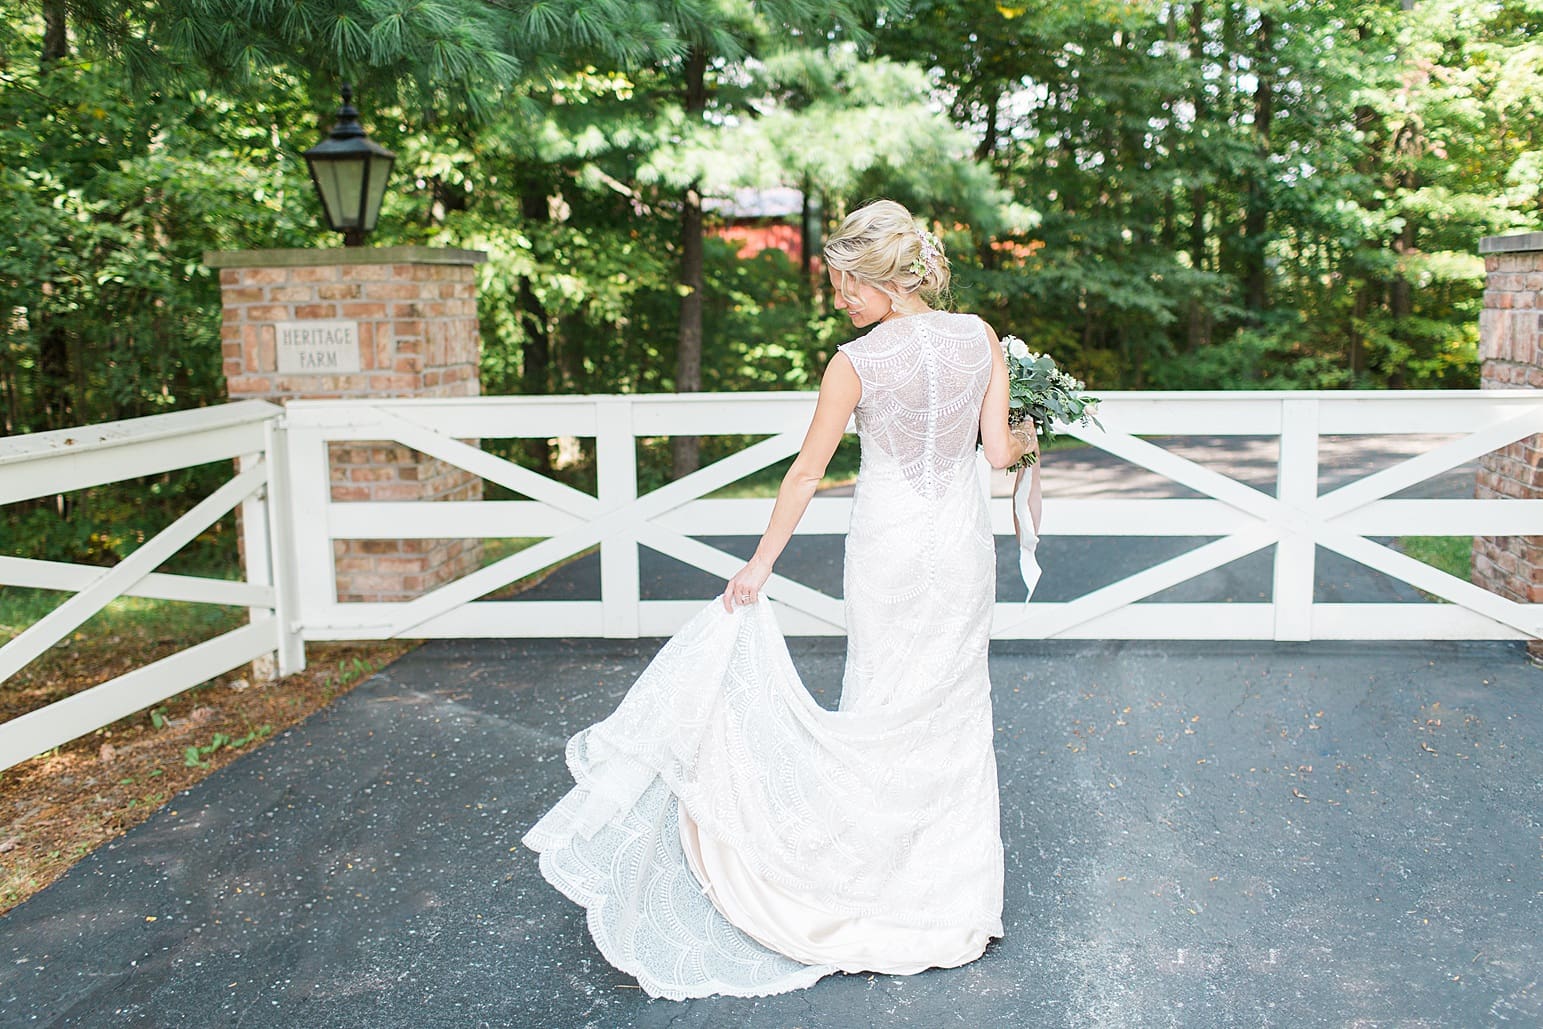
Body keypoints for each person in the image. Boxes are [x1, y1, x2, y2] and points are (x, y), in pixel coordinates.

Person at [522, 198, 1039, 1000]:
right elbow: (1000, 454)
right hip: (958, 545)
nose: (838, 299)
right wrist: (1035, 432)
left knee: (879, 700)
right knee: (950, 706)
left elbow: (804, 472)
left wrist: (758, 564)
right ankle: (950, 903)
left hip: (890, 546)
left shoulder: (856, 362)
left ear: (879, 278)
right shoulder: (978, 338)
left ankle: (867, 883)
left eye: (843, 285)